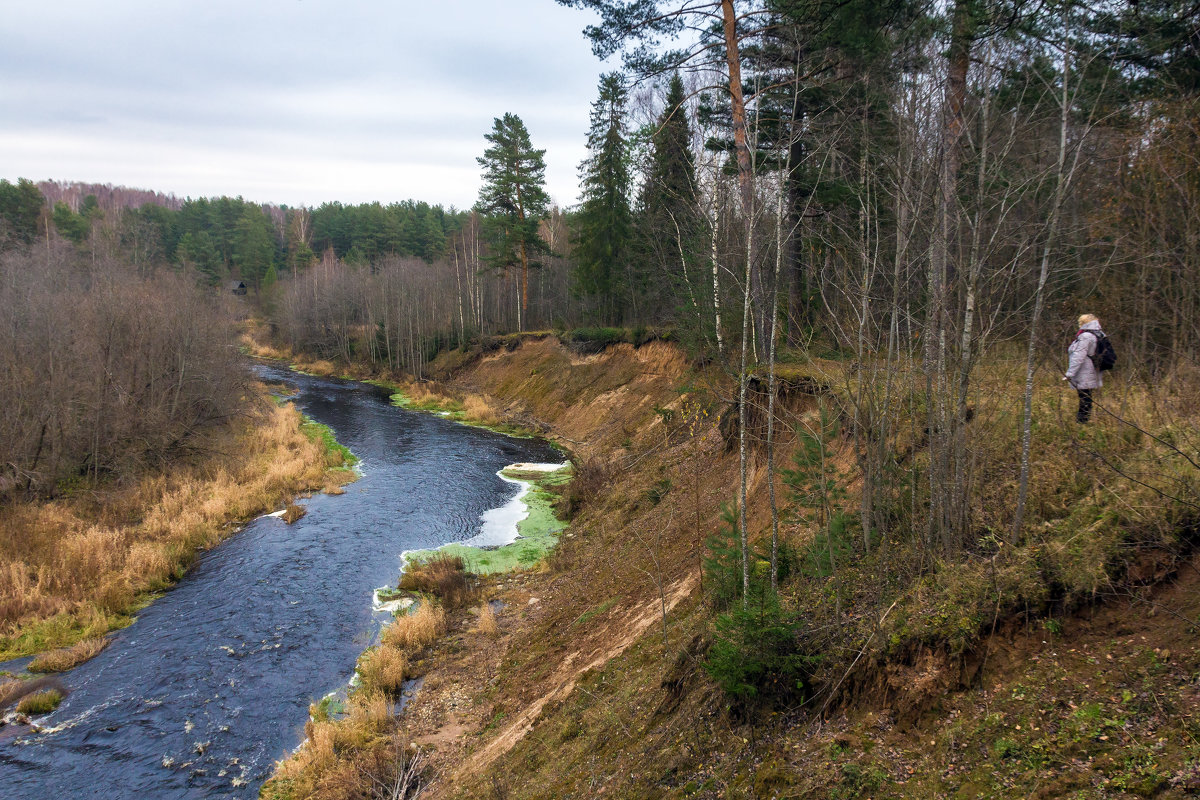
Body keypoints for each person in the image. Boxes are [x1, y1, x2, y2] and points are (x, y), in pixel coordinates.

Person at [1063, 313, 1104, 423]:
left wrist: (1070, 373)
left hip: (1085, 371)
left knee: (1084, 397)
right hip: (1091, 370)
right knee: (1086, 397)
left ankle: (1082, 422)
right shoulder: (1098, 334)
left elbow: (1078, 356)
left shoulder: (1085, 336)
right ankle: (1084, 420)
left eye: (1080, 322)